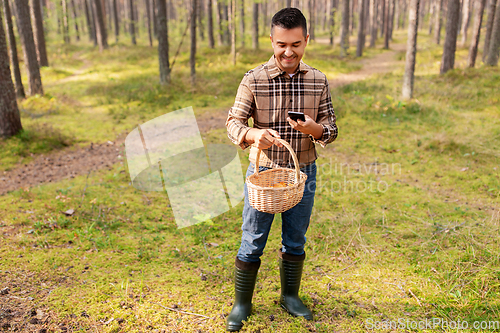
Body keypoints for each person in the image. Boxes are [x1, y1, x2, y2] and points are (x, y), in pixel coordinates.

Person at [225, 7, 338, 331]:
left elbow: (331, 129)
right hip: (263, 175)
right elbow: (233, 123)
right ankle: (242, 303)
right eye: (281, 44)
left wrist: (315, 129)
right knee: (253, 239)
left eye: (296, 44)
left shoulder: (318, 80)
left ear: (306, 40)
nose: (288, 52)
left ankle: (290, 296)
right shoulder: (254, 79)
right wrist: (252, 134)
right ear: (271, 41)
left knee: (295, 239)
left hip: (303, 173)